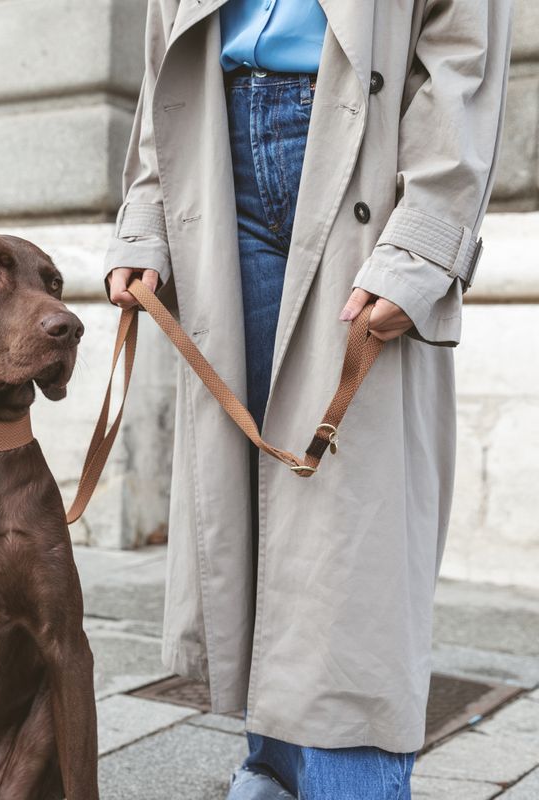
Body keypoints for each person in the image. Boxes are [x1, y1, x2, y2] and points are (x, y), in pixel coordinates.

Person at [102, 1, 513, 798]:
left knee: (353, 517)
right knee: (252, 498)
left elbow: (462, 47)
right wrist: (146, 215)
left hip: (364, 144)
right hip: (215, 148)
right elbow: (164, 49)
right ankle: (273, 768)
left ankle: (346, 784)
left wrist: (426, 239)